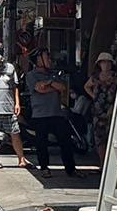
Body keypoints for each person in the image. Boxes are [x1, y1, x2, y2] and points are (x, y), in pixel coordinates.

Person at [23, 49, 77, 178]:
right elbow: (38, 88)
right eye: (46, 57)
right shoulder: (31, 75)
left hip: (57, 113)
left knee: (65, 141)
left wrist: (49, 83)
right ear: (38, 60)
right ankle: (44, 168)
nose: (49, 59)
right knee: (41, 143)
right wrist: (53, 87)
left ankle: (71, 169)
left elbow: (62, 87)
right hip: (40, 114)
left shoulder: (54, 74)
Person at [85, 52, 117, 163]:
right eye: (103, 62)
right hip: (98, 111)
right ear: (99, 64)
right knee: (99, 138)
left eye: (108, 62)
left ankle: (112, 162)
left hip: (112, 109)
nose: (106, 65)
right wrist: (94, 96)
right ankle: (102, 162)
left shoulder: (115, 76)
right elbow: (86, 86)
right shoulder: (95, 77)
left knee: (112, 136)